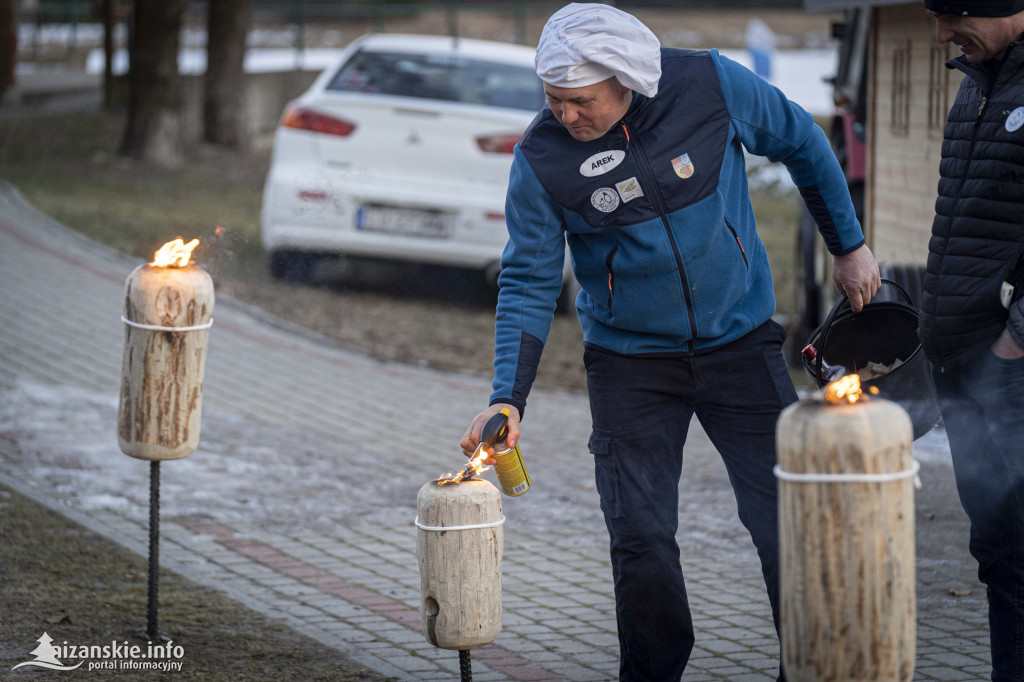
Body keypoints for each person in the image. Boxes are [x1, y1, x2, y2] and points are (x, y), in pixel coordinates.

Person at [460, 4, 880, 680]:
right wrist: (507, 398)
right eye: (553, 99)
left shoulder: (710, 86)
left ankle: (810, 665)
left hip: (739, 343)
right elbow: (529, 280)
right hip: (630, 365)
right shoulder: (542, 159)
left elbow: (801, 139)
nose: (565, 115)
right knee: (642, 540)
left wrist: (849, 246)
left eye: (579, 101)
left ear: (625, 79)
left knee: (787, 525)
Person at [921, 1, 1024, 678]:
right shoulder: (978, 82)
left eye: (955, 13)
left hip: (1008, 369)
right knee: (999, 551)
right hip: (960, 362)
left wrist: (1013, 344)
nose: (940, 34)